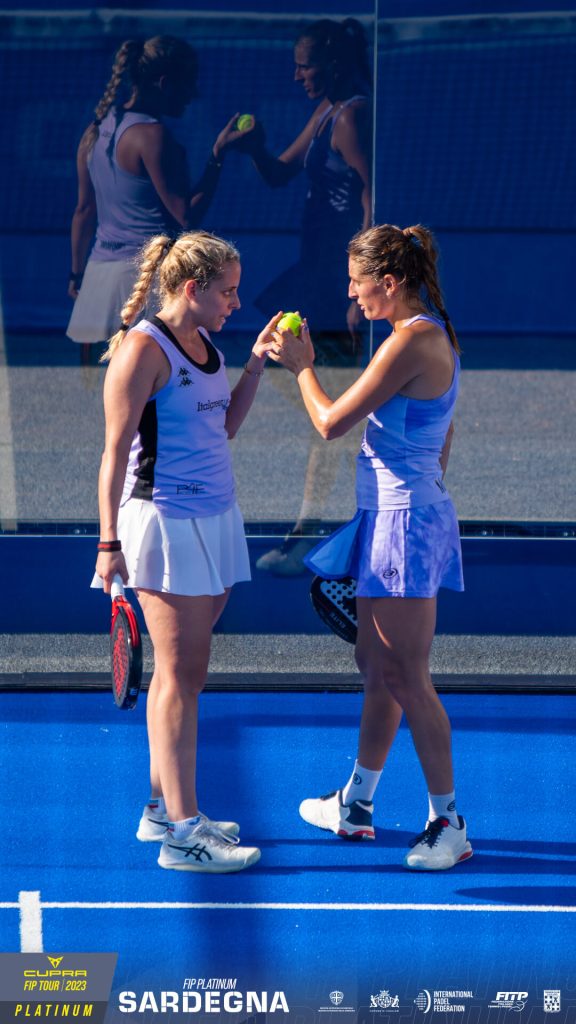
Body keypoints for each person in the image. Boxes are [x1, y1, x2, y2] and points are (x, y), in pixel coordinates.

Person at [270, 223, 472, 871]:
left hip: (404, 524)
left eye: (357, 282)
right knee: (376, 665)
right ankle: (355, 804)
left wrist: (302, 366)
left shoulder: (411, 341)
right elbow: (440, 439)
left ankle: (449, 823)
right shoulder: (421, 333)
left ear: (388, 282)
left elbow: (331, 422)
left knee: (408, 675)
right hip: (391, 516)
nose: (350, 293)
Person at [93, 230, 278, 873]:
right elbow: (114, 454)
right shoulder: (143, 350)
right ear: (193, 288)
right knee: (180, 680)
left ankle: (158, 809)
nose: (236, 302)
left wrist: (254, 364)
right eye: (228, 292)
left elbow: (221, 428)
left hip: (215, 521)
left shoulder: (208, 345)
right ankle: (183, 834)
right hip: (165, 526)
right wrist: (108, 544)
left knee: (182, 677)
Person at [236, 18, 373, 576]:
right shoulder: (325, 112)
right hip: (314, 275)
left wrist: (360, 285)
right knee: (320, 406)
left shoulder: (353, 115)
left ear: (334, 65)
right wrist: (252, 147)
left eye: (306, 65)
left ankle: (308, 535)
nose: (297, 76)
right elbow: (277, 175)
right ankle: (328, 512)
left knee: (329, 415)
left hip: (335, 283)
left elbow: (371, 196)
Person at [67, 35, 245, 362]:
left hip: (98, 276)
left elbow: (83, 211)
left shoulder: (95, 129)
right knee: (156, 384)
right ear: (165, 84)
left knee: (102, 387)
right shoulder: (153, 137)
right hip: (145, 280)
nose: (194, 94)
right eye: (188, 84)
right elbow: (186, 216)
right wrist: (218, 155)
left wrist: (77, 274)